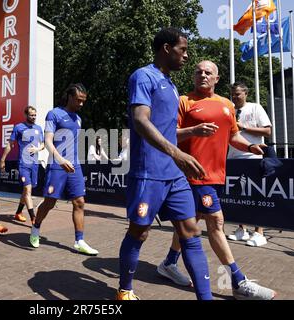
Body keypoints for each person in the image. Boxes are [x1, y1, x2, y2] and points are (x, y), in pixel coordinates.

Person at [158, 60, 276, 300]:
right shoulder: (184, 101)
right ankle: (238, 281)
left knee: (191, 221)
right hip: (192, 174)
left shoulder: (226, 105)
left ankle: (169, 263)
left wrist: (251, 146)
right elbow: (168, 134)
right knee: (216, 222)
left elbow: (233, 135)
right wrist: (193, 131)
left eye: (208, 72)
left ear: (216, 78)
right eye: (198, 71)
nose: (202, 75)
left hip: (216, 175)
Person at [117, 28, 212, 301]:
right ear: (166, 48)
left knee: (191, 232)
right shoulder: (143, 76)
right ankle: (125, 290)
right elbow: (141, 120)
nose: (186, 56)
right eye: (182, 50)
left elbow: (165, 131)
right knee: (140, 232)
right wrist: (178, 154)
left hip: (174, 175)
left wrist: (192, 132)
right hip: (148, 174)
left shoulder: (171, 85)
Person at [29, 83, 99, 256]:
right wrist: (60, 160)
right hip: (57, 165)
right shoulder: (54, 114)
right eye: (78, 100)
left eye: (84, 101)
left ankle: (79, 241)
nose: (81, 104)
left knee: (80, 202)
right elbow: (48, 141)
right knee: (50, 202)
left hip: (75, 166)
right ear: (69, 97)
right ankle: (36, 228)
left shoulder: (78, 118)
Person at [227, 82, 272, 247]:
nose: (234, 97)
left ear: (245, 93)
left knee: (255, 195)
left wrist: (243, 127)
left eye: (237, 93)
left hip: (252, 157)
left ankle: (259, 233)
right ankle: (241, 229)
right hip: (233, 157)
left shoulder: (255, 108)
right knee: (238, 195)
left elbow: (268, 131)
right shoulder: (229, 109)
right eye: (232, 94)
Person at [0, 106, 44, 224]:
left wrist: (38, 149)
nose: (34, 117)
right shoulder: (18, 127)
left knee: (26, 191)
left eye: (35, 115)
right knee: (27, 189)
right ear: (26, 115)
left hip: (34, 164)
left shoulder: (39, 128)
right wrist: (3, 159)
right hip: (23, 163)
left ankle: (18, 212)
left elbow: (43, 144)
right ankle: (33, 218)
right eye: (31, 115)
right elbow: (10, 144)